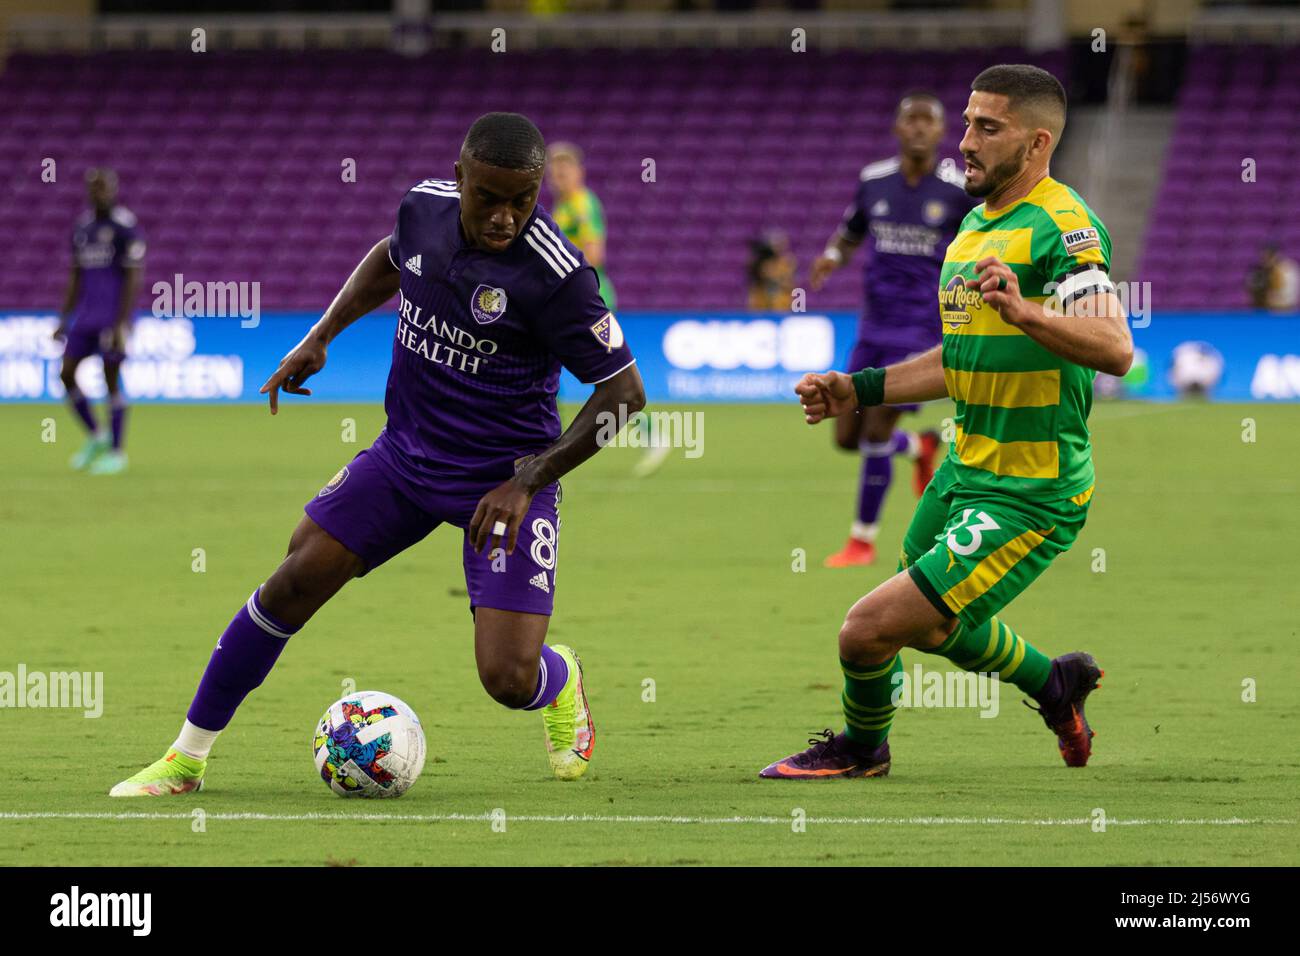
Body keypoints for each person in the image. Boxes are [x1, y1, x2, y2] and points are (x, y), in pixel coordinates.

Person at [110, 113, 644, 797]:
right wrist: (322, 334)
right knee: (295, 578)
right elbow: (390, 259)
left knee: (508, 679)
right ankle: (186, 759)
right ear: (461, 179)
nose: (507, 216)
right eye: (490, 197)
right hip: (405, 458)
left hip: (504, 481)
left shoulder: (558, 277)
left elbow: (625, 393)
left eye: (523, 199)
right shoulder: (423, 208)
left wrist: (529, 479)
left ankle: (559, 678)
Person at [761, 65, 1132, 780]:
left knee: (867, 629)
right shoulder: (972, 227)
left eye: (987, 128)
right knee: (923, 626)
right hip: (966, 468)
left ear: (1037, 142)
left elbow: (1115, 347)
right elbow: (961, 359)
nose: (965, 141)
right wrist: (858, 389)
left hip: (1031, 490)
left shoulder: (1065, 226)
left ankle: (864, 749)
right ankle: (1055, 684)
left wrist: (1028, 311)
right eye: (967, 122)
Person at [809, 93, 976, 567]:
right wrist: (831, 258)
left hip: (921, 327)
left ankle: (862, 539)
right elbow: (851, 231)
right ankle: (919, 445)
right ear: (898, 129)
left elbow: (985, 238)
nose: (920, 128)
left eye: (929, 121)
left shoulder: (958, 189)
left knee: (876, 425)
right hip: (873, 325)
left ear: (942, 133)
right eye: (912, 120)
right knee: (846, 437)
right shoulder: (873, 180)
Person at [53, 168, 144, 475]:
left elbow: (133, 275)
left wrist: (122, 322)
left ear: (114, 189)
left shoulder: (124, 226)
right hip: (86, 317)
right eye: (95, 188)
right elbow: (76, 275)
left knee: (110, 380)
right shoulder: (83, 228)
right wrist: (64, 319)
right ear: (89, 191)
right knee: (66, 374)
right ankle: (97, 435)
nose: (100, 193)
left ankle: (117, 453)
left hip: (111, 318)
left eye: (105, 188)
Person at [746, 229, 797, 311]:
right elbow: (755, 275)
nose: (777, 247)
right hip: (761, 301)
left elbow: (788, 282)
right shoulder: (762, 263)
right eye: (775, 244)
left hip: (781, 302)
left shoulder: (787, 261)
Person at [1246, 243, 1299, 312]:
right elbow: (1252, 295)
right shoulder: (1259, 272)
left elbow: (1289, 300)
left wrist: (1269, 298)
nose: (1265, 260)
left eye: (1268, 257)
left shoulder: (1288, 269)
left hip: (1285, 313)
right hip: (1265, 312)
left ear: (1276, 256)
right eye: (1263, 257)